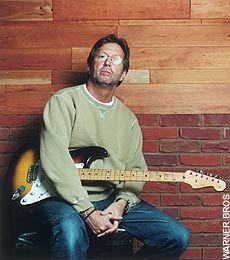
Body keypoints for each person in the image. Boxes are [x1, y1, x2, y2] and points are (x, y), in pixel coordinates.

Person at [32, 34, 190, 259]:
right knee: (70, 235)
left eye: (116, 59)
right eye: (102, 56)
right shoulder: (63, 102)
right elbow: (56, 161)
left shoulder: (128, 120)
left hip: (108, 198)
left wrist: (121, 204)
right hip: (63, 198)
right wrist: (87, 211)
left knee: (177, 235)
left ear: (123, 74)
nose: (108, 62)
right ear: (90, 66)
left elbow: (135, 170)